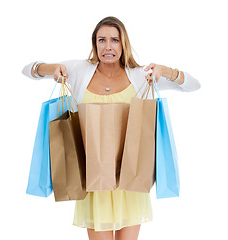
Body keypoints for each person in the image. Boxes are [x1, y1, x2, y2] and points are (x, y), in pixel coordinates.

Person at [22, 16, 200, 240]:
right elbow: (28, 70)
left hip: (131, 179)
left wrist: (165, 71)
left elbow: (194, 85)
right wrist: (51, 69)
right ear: (94, 44)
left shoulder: (140, 75)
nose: (108, 46)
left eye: (115, 40)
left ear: (123, 43)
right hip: (94, 183)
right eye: (102, 40)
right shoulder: (78, 71)